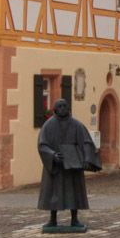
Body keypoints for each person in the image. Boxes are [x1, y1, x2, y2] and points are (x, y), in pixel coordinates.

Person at [37, 97, 94, 230]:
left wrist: (86, 159)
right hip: (56, 165)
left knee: (74, 192)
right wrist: (52, 155)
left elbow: (86, 142)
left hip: (73, 165)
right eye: (60, 106)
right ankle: (52, 219)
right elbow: (42, 145)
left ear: (68, 108)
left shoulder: (76, 125)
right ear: (55, 109)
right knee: (54, 192)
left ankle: (74, 219)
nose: (62, 108)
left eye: (65, 106)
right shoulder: (48, 125)